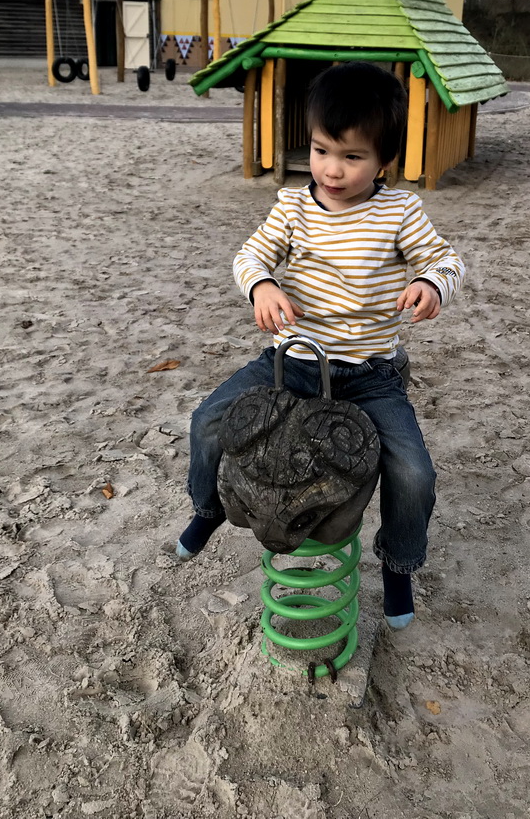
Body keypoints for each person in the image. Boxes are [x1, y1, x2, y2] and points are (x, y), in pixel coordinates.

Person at [176, 62, 464, 629]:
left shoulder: (399, 212)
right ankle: (208, 509)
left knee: (413, 473)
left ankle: (399, 564)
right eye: (321, 149)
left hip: (369, 371)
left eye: (352, 157)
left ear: (384, 160)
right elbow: (249, 256)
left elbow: (446, 259)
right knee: (208, 420)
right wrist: (261, 285)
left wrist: (431, 284)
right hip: (293, 361)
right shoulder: (292, 207)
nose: (332, 169)